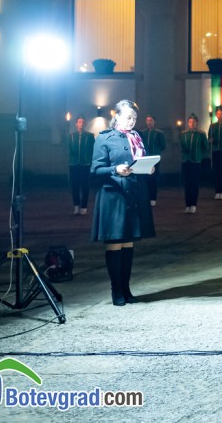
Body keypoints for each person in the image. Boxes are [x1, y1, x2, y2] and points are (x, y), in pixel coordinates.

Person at [90, 99, 155, 306]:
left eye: (134, 117)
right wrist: (115, 169)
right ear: (116, 116)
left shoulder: (137, 137)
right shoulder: (104, 137)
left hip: (133, 194)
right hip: (113, 196)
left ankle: (126, 289)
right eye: (128, 117)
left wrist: (148, 168)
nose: (132, 121)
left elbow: (139, 162)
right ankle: (116, 290)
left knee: (128, 243)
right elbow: (95, 169)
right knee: (115, 243)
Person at [179, 113, 208, 213]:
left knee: (194, 183)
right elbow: (181, 146)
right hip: (186, 161)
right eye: (190, 122)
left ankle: (193, 204)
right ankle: (187, 204)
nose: (192, 124)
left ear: (197, 123)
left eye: (194, 122)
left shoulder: (201, 134)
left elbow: (205, 147)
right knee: (187, 184)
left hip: (196, 161)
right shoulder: (183, 134)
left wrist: (198, 154)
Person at [67, 115, 95, 216]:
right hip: (74, 164)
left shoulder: (90, 136)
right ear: (76, 124)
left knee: (85, 185)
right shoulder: (71, 136)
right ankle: (76, 205)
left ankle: (84, 206)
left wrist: (91, 161)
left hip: (85, 163)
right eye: (79, 122)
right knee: (74, 185)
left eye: (83, 122)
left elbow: (92, 149)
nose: (81, 124)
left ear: (85, 123)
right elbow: (68, 149)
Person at [138, 114, 166, 206]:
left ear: (154, 122)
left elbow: (163, 146)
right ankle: (146, 197)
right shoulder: (143, 133)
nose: (149, 122)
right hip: (145, 158)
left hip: (155, 159)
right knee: (146, 178)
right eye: (148, 120)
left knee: (153, 178)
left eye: (151, 120)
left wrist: (156, 152)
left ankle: (153, 198)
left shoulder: (159, 133)